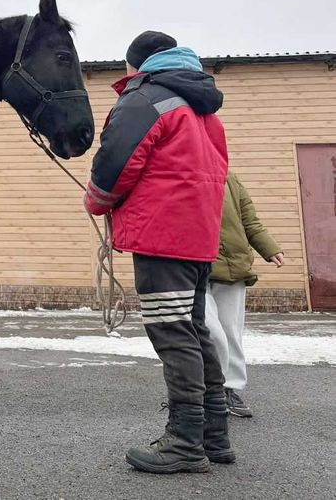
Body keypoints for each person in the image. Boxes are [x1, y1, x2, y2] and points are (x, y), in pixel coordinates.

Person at [84, 31, 232, 473]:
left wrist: (97, 199)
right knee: (194, 330)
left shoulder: (145, 98)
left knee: (172, 333)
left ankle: (185, 444)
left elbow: (116, 159)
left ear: (137, 65)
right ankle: (214, 436)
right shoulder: (202, 107)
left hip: (161, 237)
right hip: (198, 237)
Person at [206, 171, 284, 418]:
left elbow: (249, 220)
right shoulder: (177, 172)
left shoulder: (229, 179)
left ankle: (230, 388)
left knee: (230, 331)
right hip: (191, 265)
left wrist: (268, 247)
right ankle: (207, 388)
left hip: (232, 264)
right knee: (209, 329)